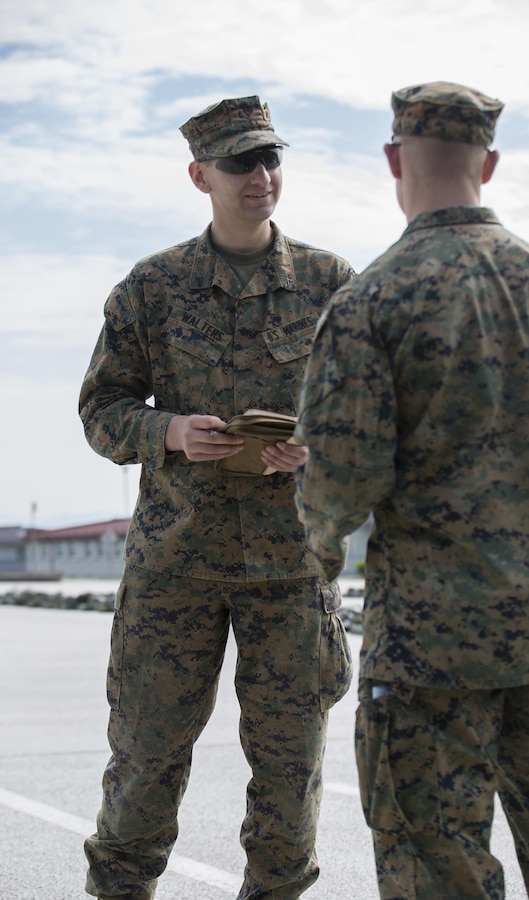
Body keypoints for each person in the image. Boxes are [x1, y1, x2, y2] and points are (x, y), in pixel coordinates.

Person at [294, 81, 529, 898]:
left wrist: (319, 555)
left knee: (440, 873)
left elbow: (340, 476)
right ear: (489, 164)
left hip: (429, 653)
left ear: (394, 159)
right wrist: (521, 512)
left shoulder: (370, 302)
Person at [79, 95, 354, 900]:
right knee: (145, 759)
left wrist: (317, 447)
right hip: (176, 567)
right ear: (201, 174)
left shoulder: (333, 283)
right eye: (241, 162)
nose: (260, 176)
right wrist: (169, 433)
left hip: (291, 571)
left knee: (290, 775)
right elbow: (101, 411)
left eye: (271, 158)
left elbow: (372, 412)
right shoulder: (152, 288)